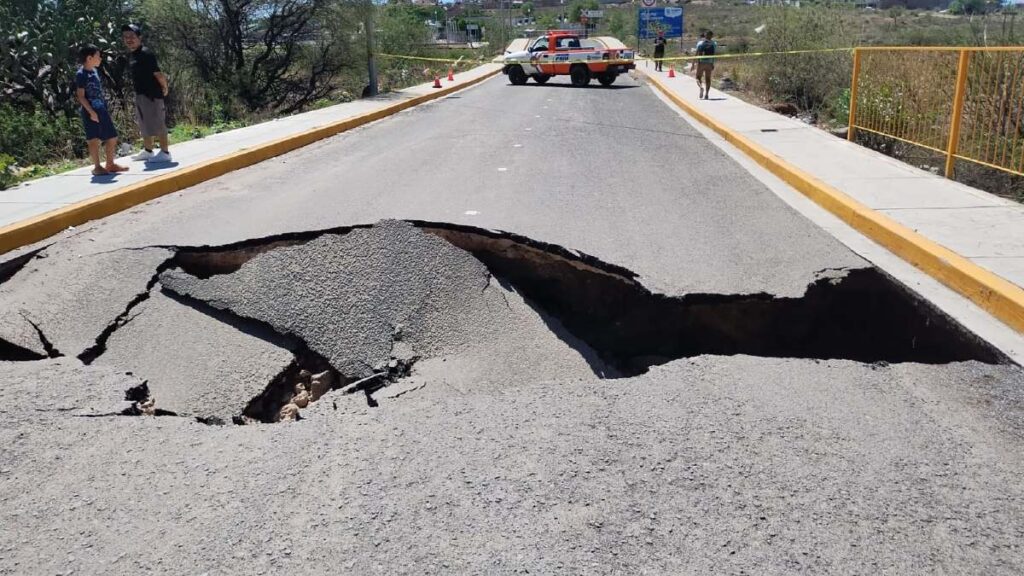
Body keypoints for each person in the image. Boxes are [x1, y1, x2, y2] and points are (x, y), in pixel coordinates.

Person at [121, 24, 172, 163]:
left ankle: (165, 152)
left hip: (152, 94)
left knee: (158, 123)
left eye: (132, 36)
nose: (129, 39)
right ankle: (148, 151)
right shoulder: (133, 55)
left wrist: (164, 87)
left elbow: (158, 73)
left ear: (140, 37)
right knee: (144, 123)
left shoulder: (146, 53)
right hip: (141, 95)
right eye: (126, 37)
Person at [75, 45, 128, 176]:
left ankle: (110, 164)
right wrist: (91, 112)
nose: (100, 59)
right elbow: (81, 96)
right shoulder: (81, 74)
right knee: (93, 139)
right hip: (90, 110)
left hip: (101, 108)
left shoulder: (94, 71)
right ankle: (97, 166)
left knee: (112, 136)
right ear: (89, 58)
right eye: (98, 56)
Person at [695, 30, 717, 100]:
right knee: (708, 79)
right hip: (709, 63)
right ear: (712, 36)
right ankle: (707, 94)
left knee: (698, 77)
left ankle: (701, 87)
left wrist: (694, 64)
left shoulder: (700, 43)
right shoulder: (714, 43)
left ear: (705, 35)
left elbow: (697, 54)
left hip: (701, 63)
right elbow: (714, 55)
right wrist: (712, 63)